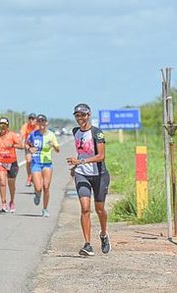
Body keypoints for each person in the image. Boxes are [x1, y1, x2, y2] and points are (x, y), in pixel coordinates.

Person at [66, 103, 111, 256]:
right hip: (82, 174)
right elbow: (82, 153)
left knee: (100, 209)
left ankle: (104, 234)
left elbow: (101, 156)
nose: (80, 118)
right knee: (85, 208)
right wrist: (76, 167)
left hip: (99, 175)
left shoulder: (97, 133)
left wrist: (80, 162)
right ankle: (87, 244)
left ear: (89, 115)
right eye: (77, 115)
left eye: (83, 115)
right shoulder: (75, 131)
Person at [26, 114, 60, 217]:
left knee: (46, 187)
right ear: (37, 123)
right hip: (36, 162)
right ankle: (37, 194)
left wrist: (53, 145)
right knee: (38, 187)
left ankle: (45, 209)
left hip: (47, 163)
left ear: (46, 123)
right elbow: (27, 143)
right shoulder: (33, 134)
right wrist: (29, 148)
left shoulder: (51, 135)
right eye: (39, 122)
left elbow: (58, 150)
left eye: (43, 121)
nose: (41, 124)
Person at [0, 117, 23, 213]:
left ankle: (12, 201)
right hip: (0, 162)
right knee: (2, 182)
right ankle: (3, 203)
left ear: (7, 126)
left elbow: (21, 146)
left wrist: (13, 145)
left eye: (4, 125)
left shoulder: (12, 135)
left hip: (12, 162)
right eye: (1, 125)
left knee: (11, 184)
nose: (3, 127)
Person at [20, 113, 39, 187]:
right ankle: (29, 177)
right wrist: (21, 142)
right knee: (29, 160)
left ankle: (37, 178)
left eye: (33, 119)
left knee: (37, 162)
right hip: (28, 145)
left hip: (37, 147)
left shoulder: (38, 126)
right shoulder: (26, 126)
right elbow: (22, 134)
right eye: (30, 118)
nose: (31, 120)